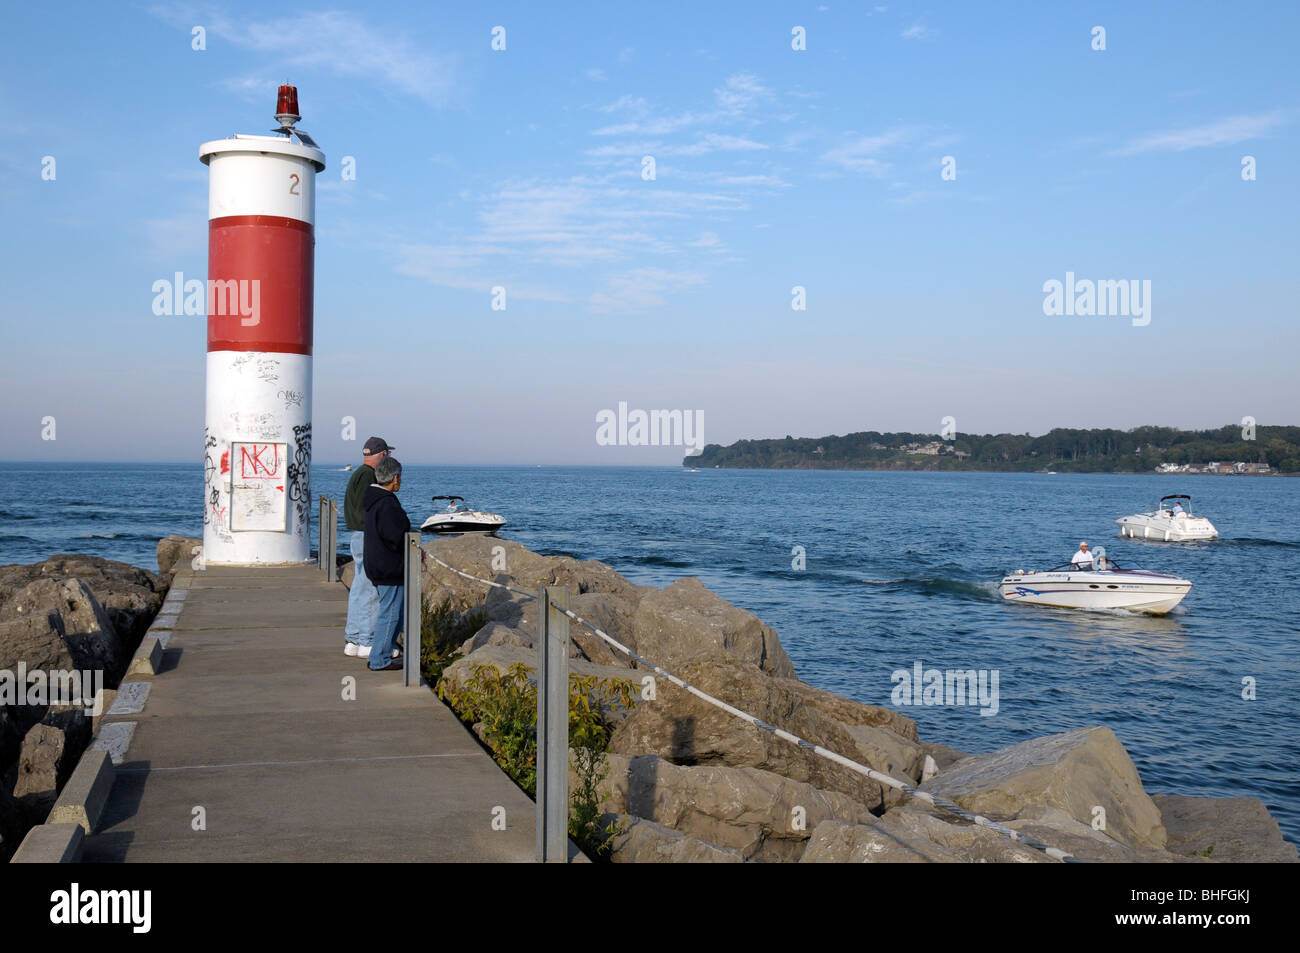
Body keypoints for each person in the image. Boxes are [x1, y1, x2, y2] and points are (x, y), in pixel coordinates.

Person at [342, 436, 394, 658]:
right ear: (381, 454)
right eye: (387, 455)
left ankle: (353, 639)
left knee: (359, 587)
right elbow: (371, 507)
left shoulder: (357, 474)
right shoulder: (368, 477)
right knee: (371, 588)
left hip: (357, 534)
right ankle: (367, 641)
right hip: (367, 536)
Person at [364, 455, 411, 672]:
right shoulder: (386, 503)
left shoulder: (374, 499)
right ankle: (379, 659)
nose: (400, 481)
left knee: (392, 612)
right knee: (391, 613)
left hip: (377, 563)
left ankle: (383, 653)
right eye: (399, 477)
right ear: (394, 478)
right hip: (389, 567)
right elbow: (395, 535)